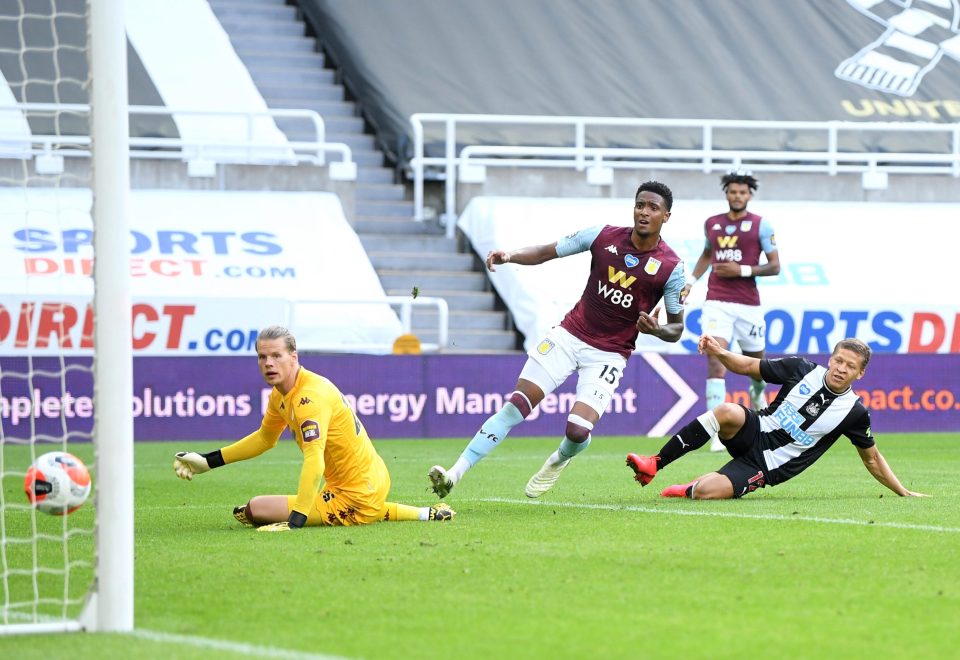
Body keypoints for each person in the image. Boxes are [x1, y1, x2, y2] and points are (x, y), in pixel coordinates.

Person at [428, 181, 686, 499]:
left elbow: (677, 329)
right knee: (516, 406)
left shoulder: (672, 268)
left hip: (609, 355)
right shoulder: (602, 236)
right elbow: (546, 252)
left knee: (577, 431)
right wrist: (510, 255)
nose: (644, 212)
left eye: (653, 208)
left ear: (666, 216)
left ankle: (559, 459)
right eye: (640, 205)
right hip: (569, 335)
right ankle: (454, 473)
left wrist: (658, 330)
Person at [173, 325, 455, 531]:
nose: (268, 363)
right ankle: (424, 514)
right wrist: (208, 462)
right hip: (368, 479)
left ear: (293, 357)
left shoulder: (310, 397)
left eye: (276, 356)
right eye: (262, 357)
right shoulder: (281, 395)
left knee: (254, 509)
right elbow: (263, 439)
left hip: (358, 489)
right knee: (258, 510)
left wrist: (296, 521)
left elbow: (314, 460)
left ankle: (380, 510)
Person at [625, 335, 927, 499]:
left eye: (850, 366)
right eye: (838, 360)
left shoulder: (855, 412)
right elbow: (746, 366)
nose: (841, 368)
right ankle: (656, 463)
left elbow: (871, 458)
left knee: (706, 492)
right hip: (754, 429)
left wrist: (903, 491)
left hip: (767, 466)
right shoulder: (802, 369)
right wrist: (719, 352)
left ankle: (692, 487)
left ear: (861, 373)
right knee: (728, 410)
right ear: (830, 358)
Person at [682, 170, 780, 451]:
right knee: (715, 359)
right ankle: (716, 432)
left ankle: (757, 393)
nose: (737, 196)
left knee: (757, 367)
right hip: (717, 302)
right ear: (726, 193)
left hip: (749, 305)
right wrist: (690, 283)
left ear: (749, 195)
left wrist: (742, 269)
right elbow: (706, 254)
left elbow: (775, 266)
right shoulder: (711, 224)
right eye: (733, 191)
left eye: (743, 192)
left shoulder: (762, 225)